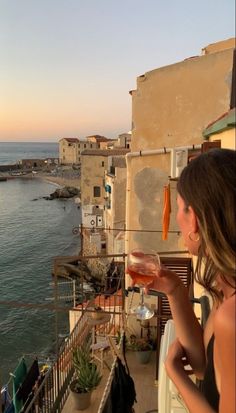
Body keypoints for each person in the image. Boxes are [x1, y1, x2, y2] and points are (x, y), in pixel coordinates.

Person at [150, 148, 236, 413]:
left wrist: (173, 372)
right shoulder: (226, 286)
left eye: (178, 208)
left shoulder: (232, 317)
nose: (176, 219)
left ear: (195, 220)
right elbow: (204, 368)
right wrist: (174, 290)